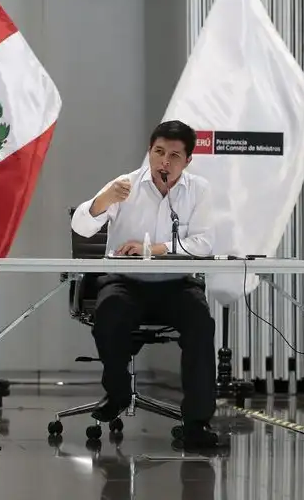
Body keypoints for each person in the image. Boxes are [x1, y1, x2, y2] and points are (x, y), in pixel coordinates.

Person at [71, 120, 222, 449]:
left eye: (174, 156)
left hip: (176, 284)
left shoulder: (199, 190)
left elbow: (203, 244)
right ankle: (118, 391)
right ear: (149, 151)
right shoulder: (124, 185)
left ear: (188, 160)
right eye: (158, 152)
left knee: (200, 323)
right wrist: (102, 201)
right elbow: (81, 226)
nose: (164, 162)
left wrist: (155, 249)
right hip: (126, 282)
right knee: (109, 312)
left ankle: (196, 423)